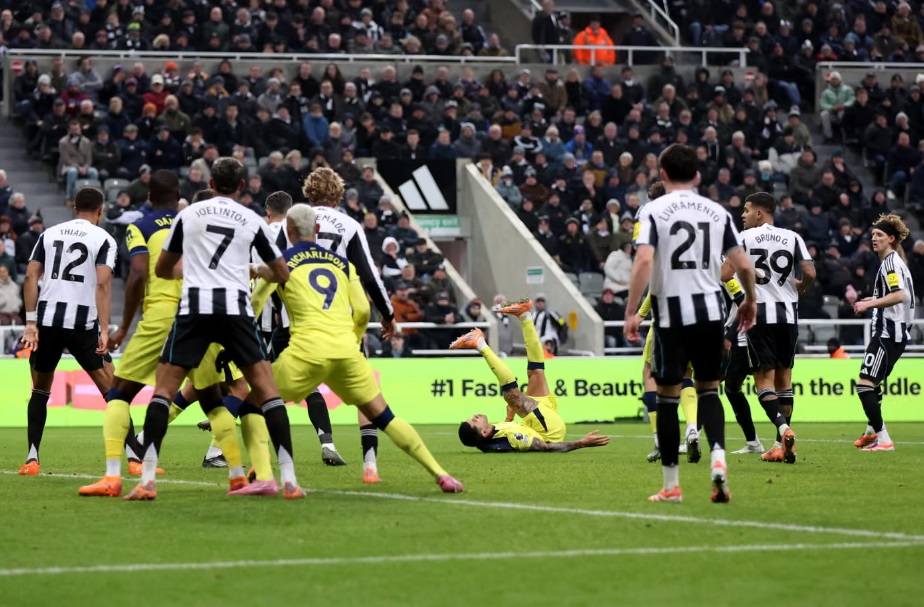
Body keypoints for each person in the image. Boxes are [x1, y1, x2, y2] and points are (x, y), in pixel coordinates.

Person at [122, 158, 303, 500]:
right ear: (241, 186)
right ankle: (290, 479)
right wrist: (253, 269)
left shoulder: (187, 215)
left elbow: (161, 269)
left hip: (195, 310)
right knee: (266, 389)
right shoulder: (251, 219)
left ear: (212, 181)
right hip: (236, 309)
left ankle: (146, 481)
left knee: (164, 390)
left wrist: (191, 270)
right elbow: (282, 272)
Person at [251, 204, 464, 492]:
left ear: (287, 231)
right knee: (385, 416)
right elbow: (363, 311)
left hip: (306, 350)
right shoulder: (343, 264)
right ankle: (441, 474)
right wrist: (353, 340)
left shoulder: (281, 263)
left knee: (254, 404)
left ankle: (275, 476)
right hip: (347, 351)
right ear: (316, 230)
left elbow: (254, 305)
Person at [624, 144, 757, 504]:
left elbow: (643, 262)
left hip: (671, 314)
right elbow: (744, 266)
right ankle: (718, 461)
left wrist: (631, 311)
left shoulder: (651, 210)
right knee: (709, 389)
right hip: (709, 314)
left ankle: (671, 485)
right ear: (697, 175)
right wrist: (750, 302)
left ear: (662, 174)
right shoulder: (717, 212)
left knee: (667, 395)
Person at [18, 188, 116, 476]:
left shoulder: (49, 234)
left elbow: (30, 275)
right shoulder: (104, 239)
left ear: (74, 208)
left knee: (39, 389)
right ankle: (135, 459)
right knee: (111, 391)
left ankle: (32, 459)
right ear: (101, 210)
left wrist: (31, 322)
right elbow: (103, 284)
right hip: (82, 323)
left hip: (47, 320)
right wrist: (105, 329)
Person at [452, 298, 610, 453]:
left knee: (535, 372)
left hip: (540, 423)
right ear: (484, 433)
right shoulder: (514, 439)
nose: (475, 416)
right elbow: (545, 447)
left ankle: (525, 315)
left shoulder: (495, 436)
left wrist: (508, 419)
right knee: (512, 397)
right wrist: (580, 443)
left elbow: (505, 433)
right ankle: (480, 344)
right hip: (549, 430)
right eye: (474, 421)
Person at [739, 192, 816, 463]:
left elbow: (725, 274)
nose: (743, 215)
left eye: (746, 210)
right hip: (788, 318)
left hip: (759, 317)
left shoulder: (743, 238)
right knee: (785, 382)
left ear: (759, 213)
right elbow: (810, 272)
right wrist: (801, 288)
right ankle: (779, 445)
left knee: (763, 382)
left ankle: (784, 430)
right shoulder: (792, 237)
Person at [852, 214, 914, 452]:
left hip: (888, 332)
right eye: (872, 235)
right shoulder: (897, 262)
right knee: (873, 383)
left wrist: (869, 304)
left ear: (891, 238)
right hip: (896, 333)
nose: (874, 239)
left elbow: (900, 295)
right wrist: (875, 299)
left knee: (864, 384)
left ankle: (884, 439)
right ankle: (871, 431)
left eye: (879, 235)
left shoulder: (889, 263)